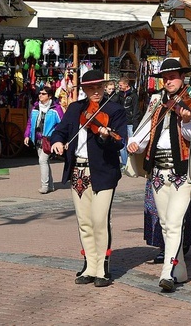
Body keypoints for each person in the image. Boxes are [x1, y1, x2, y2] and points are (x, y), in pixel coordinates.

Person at [126, 58, 191, 292]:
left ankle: (168, 271)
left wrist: (188, 121)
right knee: (166, 223)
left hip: (182, 171)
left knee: (176, 221)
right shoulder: (157, 101)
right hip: (158, 169)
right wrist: (136, 143)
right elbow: (148, 128)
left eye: (172, 77)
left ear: (182, 77)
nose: (168, 81)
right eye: (165, 78)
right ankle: (180, 270)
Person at [50, 70, 128, 287]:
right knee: (84, 221)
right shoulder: (76, 109)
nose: (96, 92)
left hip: (103, 172)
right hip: (79, 171)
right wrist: (57, 141)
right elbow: (61, 131)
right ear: (84, 89)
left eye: (99, 87)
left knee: (99, 220)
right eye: (91, 88)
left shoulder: (115, 110)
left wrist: (105, 137)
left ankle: (103, 268)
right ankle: (89, 265)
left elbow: (119, 141)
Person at [24, 86, 64, 194]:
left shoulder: (56, 109)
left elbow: (62, 124)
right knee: (45, 161)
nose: (40, 95)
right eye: (39, 93)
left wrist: (58, 137)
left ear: (50, 96)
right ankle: (50, 185)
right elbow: (30, 122)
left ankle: (44, 186)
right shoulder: (35, 108)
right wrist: (27, 135)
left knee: (42, 160)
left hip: (49, 139)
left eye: (43, 93)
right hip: (37, 138)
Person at [117, 77, 140, 169]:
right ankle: (124, 163)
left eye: (120, 85)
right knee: (122, 143)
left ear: (126, 85)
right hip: (122, 122)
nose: (119, 87)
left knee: (130, 143)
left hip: (130, 122)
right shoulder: (119, 95)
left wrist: (135, 123)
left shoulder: (134, 96)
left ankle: (132, 164)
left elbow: (136, 110)